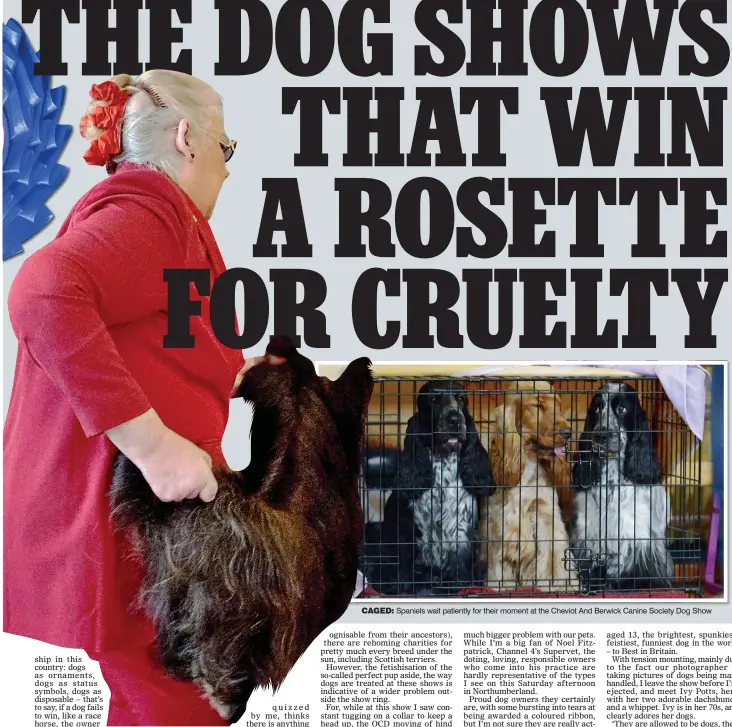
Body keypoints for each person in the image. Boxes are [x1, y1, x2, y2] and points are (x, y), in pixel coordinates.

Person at [3, 70, 280, 726]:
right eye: (225, 149)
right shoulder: (149, 214)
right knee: (176, 697)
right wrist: (155, 447)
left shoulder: (155, 220)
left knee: (148, 696)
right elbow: (41, 295)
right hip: (130, 522)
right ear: (187, 137)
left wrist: (244, 372)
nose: (227, 170)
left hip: (144, 524)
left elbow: (156, 347)